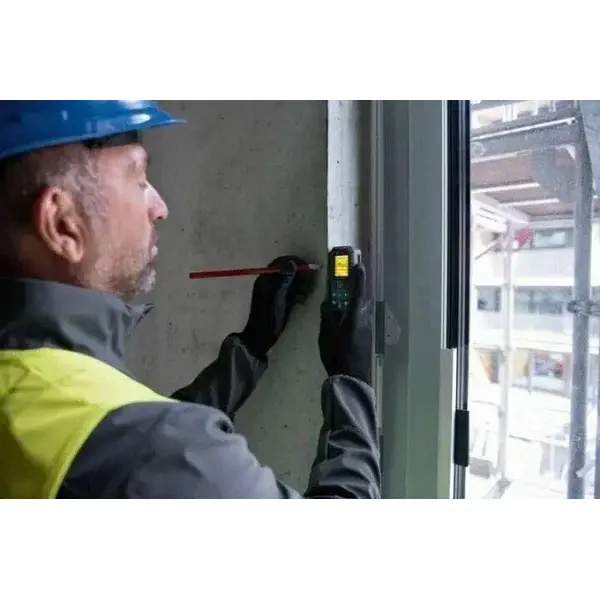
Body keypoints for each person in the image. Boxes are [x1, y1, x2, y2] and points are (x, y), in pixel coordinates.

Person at [0, 100, 381, 499]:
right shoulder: (149, 448)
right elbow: (156, 452)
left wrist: (251, 345)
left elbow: (136, 444)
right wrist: (351, 383)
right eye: (139, 180)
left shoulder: (36, 394)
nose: (159, 208)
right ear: (62, 224)